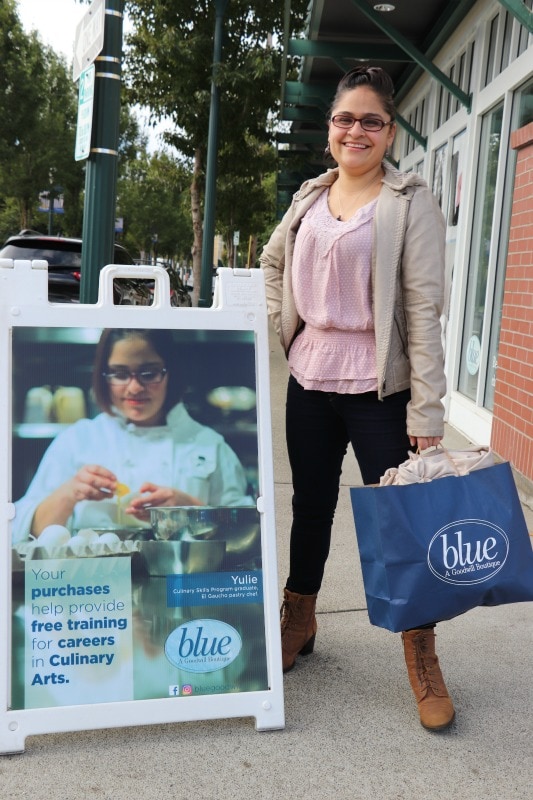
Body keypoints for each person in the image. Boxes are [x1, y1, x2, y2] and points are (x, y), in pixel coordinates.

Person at [260, 66, 453, 731]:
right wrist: (276, 332)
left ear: (389, 132)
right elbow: (271, 265)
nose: (356, 131)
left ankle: (419, 650)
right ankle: (299, 617)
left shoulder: (409, 201)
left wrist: (426, 413)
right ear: (329, 129)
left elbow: (424, 311)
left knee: (398, 520)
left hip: (381, 389)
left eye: (371, 120)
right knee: (309, 506)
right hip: (309, 376)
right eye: (345, 118)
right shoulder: (308, 198)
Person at [13, 328, 253, 543]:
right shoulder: (76, 441)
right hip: (91, 585)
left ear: (170, 372)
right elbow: (20, 534)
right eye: (120, 373)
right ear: (103, 375)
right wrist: (70, 493)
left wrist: (193, 511)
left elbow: (247, 535)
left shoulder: (210, 445)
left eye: (148, 373)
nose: (134, 387)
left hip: (182, 585)